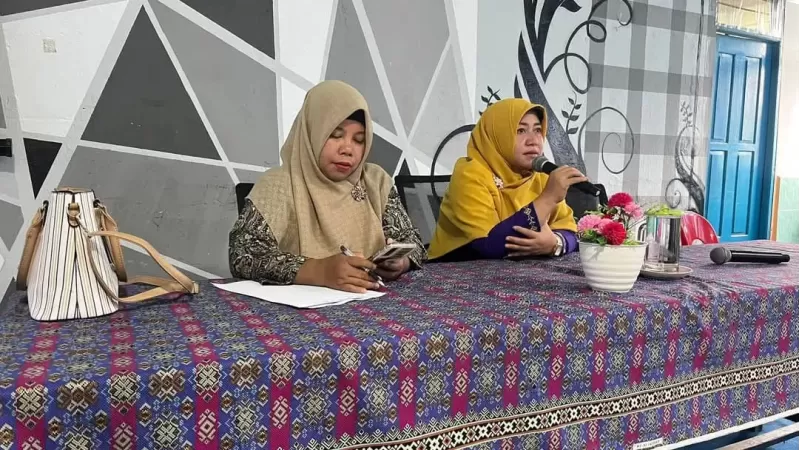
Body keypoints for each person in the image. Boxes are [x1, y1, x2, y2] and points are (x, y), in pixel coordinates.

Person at [229, 80, 426, 292]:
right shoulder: (279, 185)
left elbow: (412, 240)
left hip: (374, 299)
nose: (348, 149)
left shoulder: (375, 181)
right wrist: (319, 271)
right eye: (335, 135)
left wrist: (402, 262)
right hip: (301, 308)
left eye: (359, 140)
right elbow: (243, 254)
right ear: (311, 133)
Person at [427, 98, 587, 262]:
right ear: (497, 135)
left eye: (537, 130)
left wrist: (555, 243)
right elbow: (488, 246)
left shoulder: (540, 177)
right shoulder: (469, 174)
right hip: (456, 271)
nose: (533, 141)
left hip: (519, 271)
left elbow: (572, 232)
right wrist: (548, 198)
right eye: (520, 131)